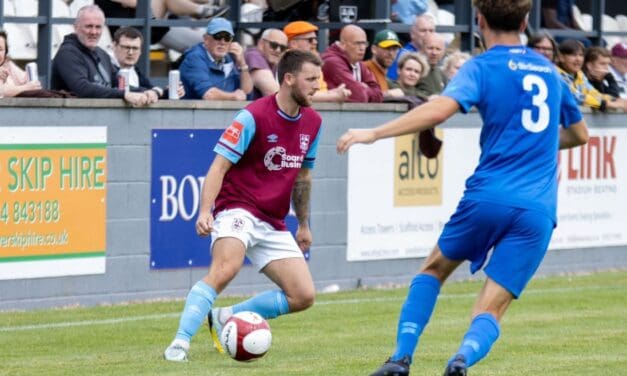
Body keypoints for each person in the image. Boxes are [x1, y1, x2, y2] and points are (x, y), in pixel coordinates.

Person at [336, 1, 589, 375]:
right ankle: (461, 359)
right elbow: (579, 134)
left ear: (479, 21)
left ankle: (400, 358)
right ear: (524, 22)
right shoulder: (552, 73)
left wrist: (373, 133)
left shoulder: (481, 66)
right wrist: (535, 144)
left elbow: (439, 109)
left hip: (488, 195)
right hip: (537, 208)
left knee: (434, 269)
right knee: (492, 307)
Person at [163, 49, 323, 362]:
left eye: (318, 79)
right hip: (238, 207)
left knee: (303, 296)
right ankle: (180, 342)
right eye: (311, 79)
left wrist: (303, 223)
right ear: (289, 79)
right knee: (226, 269)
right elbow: (218, 167)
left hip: (273, 220)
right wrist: (205, 211)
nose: (318, 86)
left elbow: (303, 177)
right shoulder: (253, 116)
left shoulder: (314, 122)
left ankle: (226, 317)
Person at [51, 5, 149, 106]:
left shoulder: (101, 53)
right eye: (89, 26)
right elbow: (82, 88)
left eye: (98, 27)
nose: (94, 32)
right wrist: (123, 94)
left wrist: (145, 91)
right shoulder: (67, 53)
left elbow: (118, 83)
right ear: (76, 27)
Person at [179, 17, 252, 100]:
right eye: (218, 36)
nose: (222, 42)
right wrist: (234, 96)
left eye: (227, 38)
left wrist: (242, 64)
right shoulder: (194, 58)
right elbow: (208, 94)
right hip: (192, 112)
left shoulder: (229, 58)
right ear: (206, 39)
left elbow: (246, 93)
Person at [283, 20, 351, 102]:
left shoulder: (311, 62)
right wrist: (333, 96)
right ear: (293, 44)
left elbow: (319, 91)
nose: (315, 42)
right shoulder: (287, 63)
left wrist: (334, 92)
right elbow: (300, 94)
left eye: (315, 39)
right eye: (310, 40)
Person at [111, 27, 185, 101]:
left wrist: (168, 92)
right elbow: (121, 88)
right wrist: (157, 91)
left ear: (141, 51)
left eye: (135, 48)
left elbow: (150, 92)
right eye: (126, 47)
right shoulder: (106, 66)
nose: (130, 52)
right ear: (114, 46)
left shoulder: (134, 70)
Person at [557, 39, 625, 112]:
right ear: (561, 57)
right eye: (573, 55)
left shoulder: (579, 74)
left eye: (581, 55)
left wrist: (614, 100)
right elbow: (575, 97)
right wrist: (607, 104)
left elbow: (593, 93)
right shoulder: (556, 74)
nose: (578, 59)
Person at [321, 24, 383, 103]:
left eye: (364, 43)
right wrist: (364, 88)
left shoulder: (358, 63)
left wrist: (362, 89)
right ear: (343, 45)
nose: (362, 48)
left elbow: (379, 94)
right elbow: (359, 96)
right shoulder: (332, 62)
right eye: (357, 43)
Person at [387, 13, 436, 80]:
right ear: (412, 34)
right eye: (423, 31)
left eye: (431, 31)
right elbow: (392, 82)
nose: (428, 34)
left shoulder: (434, 55)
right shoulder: (402, 56)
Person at [245, 28, 288, 99]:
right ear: (261, 43)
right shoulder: (253, 55)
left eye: (283, 48)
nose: (278, 50)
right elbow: (273, 92)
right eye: (274, 45)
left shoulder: (274, 61)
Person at [0, 30, 42, 97]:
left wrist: (31, 82)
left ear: (6, 52)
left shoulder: (7, 64)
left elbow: (27, 80)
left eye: (0, 49)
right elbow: (2, 92)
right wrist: (26, 87)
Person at [364, 29, 403, 94]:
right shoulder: (364, 69)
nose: (391, 53)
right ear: (374, 49)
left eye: (394, 49)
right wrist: (388, 94)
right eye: (387, 48)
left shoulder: (385, 76)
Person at [415, 33, 448, 99]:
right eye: (430, 48)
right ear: (422, 49)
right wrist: (426, 97)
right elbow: (406, 91)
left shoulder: (441, 73)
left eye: (438, 49)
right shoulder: (414, 68)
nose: (434, 53)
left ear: (443, 52)